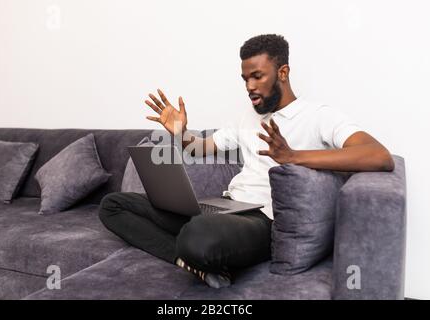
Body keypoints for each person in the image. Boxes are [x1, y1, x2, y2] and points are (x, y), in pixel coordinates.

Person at [99, 34, 394, 289]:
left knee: (197, 235)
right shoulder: (248, 118)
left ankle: (195, 248)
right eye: (245, 79)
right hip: (227, 207)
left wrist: (293, 157)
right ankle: (191, 262)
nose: (249, 86)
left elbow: (378, 156)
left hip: (262, 221)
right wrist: (181, 133)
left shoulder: (318, 116)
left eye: (257, 76)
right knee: (113, 205)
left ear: (283, 72)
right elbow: (202, 148)